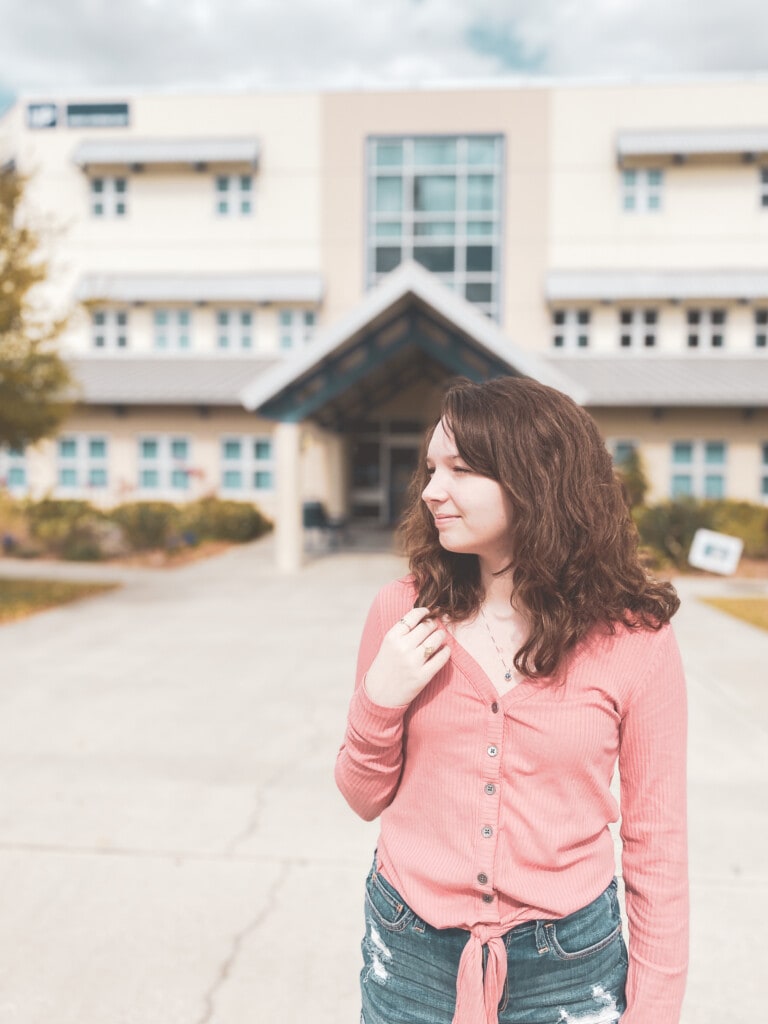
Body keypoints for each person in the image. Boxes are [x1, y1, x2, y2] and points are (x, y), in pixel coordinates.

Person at [335, 375, 688, 1024]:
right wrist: (379, 700)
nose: (432, 490)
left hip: (570, 963)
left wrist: (656, 1011)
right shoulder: (402, 611)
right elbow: (362, 797)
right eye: (431, 469)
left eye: (462, 470)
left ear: (536, 480)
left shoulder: (636, 638)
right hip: (408, 945)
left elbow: (656, 839)